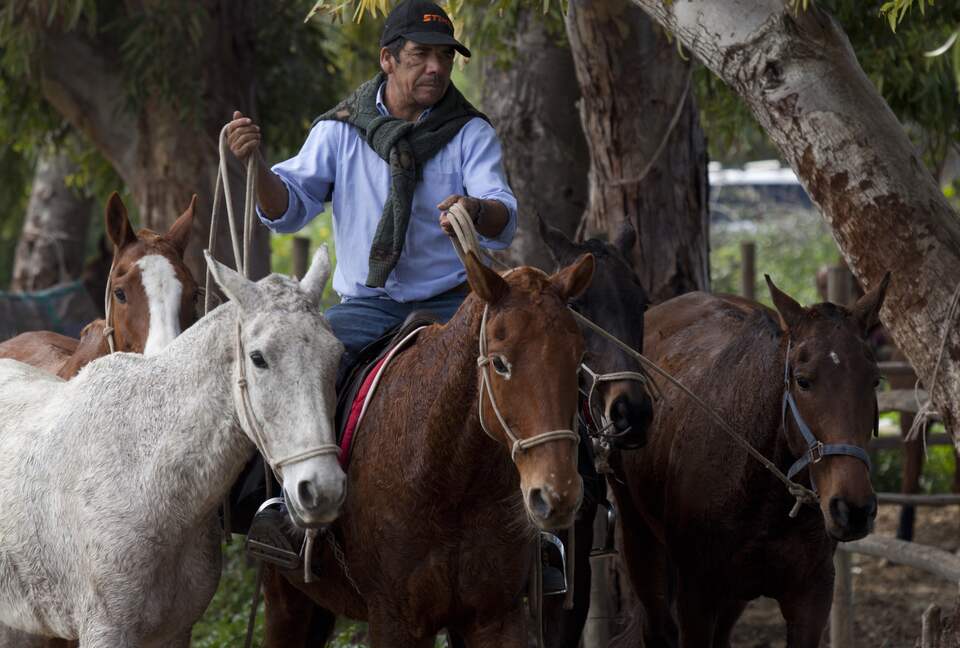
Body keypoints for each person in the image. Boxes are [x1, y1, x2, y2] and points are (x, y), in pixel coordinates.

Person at [228, 0, 516, 377]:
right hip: (363, 310)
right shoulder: (340, 130)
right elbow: (288, 209)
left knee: (523, 365)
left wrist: (475, 209)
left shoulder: (470, 133)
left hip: (454, 306)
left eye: (445, 56)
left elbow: (502, 215)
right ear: (387, 59)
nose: (436, 67)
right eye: (421, 54)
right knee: (304, 381)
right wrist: (256, 165)